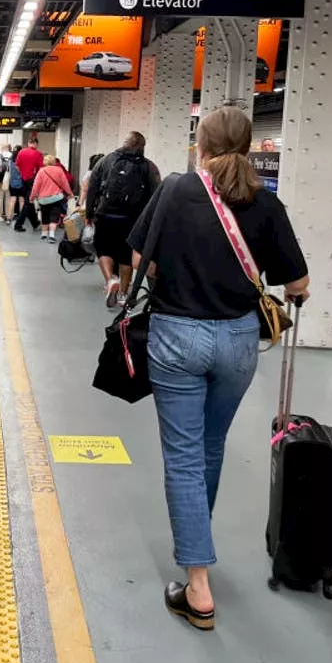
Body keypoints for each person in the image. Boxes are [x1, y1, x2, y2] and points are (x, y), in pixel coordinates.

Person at [127, 106, 309, 631]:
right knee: (209, 447)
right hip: (237, 342)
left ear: (200, 147)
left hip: (178, 337)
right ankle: (197, 547)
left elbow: (140, 261)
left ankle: (198, 584)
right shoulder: (266, 202)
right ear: (248, 147)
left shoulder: (177, 190)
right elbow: (296, 284)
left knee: (183, 457)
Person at [86, 132, 161, 307]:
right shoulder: (148, 166)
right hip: (132, 219)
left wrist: (90, 213)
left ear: (125, 143)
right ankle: (123, 295)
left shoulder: (105, 161)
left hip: (105, 215)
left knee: (104, 251)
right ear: (142, 146)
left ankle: (110, 280)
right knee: (126, 257)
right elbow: (155, 195)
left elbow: (92, 188)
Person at [29, 154, 75, 242]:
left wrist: (32, 197)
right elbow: (65, 183)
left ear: (45, 162)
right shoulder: (59, 170)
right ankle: (52, 235)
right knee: (54, 216)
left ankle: (44, 234)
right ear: (54, 161)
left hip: (43, 199)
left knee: (45, 216)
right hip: (56, 198)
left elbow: (35, 186)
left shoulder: (41, 171)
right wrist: (70, 193)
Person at [13, 139, 44, 232]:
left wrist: (22, 173)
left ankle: (35, 223)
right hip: (33, 180)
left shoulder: (21, 152)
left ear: (28, 143)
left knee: (29, 202)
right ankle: (18, 225)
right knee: (28, 202)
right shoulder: (38, 154)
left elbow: (17, 166)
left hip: (23, 180)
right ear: (36, 144)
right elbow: (41, 169)